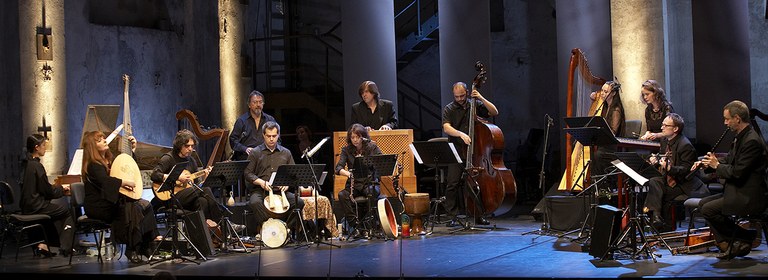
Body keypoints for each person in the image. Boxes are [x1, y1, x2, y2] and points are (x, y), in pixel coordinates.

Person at [693, 100, 768, 259]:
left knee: (708, 209)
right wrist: (707, 163)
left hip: (749, 195)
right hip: (738, 190)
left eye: (727, 119)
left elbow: (737, 172)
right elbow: (729, 160)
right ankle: (738, 240)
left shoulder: (751, 141)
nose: (725, 123)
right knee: (702, 204)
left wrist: (716, 165)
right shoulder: (740, 136)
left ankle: (739, 240)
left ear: (737, 119)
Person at [80, 131, 159, 263]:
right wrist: (123, 182)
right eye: (99, 140)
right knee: (132, 207)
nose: (105, 140)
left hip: (109, 202)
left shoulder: (107, 161)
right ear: (92, 147)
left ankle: (148, 243)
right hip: (98, 205)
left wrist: (131, 150)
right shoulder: (93, 165)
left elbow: (125, 168)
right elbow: (106, 181)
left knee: (146, 205)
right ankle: (133, 248)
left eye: (104, 138)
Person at [150, 129, 244, 233]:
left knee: (202, 201)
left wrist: (206, 177)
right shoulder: (169, 158)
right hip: (171, 197)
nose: (190, 149)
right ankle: (224, 224)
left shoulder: (191, 160)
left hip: (188, 196)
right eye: (187, 146)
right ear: (179, 145)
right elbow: (154, 175)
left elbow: (198, 185)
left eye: (192, 146)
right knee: (206, 190)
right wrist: (175, 177)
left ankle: (202, 236)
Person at [442, 82, 499, 226]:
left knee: (476, 184)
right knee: (452, 184)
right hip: (457, 149)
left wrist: (481, 97)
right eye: (457, 96)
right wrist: (460, 134)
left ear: (467, 92)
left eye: (462, 95)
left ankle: (479, 215)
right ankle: (452, 216)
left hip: (475, 153)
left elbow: (494, 112)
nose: (460, 99)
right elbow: (447, 128)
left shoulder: (475, 105)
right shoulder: (449, 108)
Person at [19, 134, 75, 257]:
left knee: (53, 211)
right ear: (37, 147)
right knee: (66, 212)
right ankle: (66, 248)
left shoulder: (25, 164)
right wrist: (62, 189)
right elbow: (47, 191)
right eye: (44, 145)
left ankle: (42, 244)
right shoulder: (36, 166)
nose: (45, 148)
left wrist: (56, 189)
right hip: (37, 206)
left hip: (26, 206)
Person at [244, 121, 304, 234]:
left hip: (280, 191)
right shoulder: (255, 152)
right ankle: (269, 227)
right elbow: (247, 173)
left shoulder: (286, 153)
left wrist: (287, 184)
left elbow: (293, 174)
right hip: (261, 190)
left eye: (274, 136)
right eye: (268, 136)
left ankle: (285, 229)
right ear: (263, 135)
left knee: (299, 202)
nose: (271, 139)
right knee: (255, 202)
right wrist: (261, 182)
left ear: (278, 135)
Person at [641, 113, 698, 232]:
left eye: (665, 125)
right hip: (667, 179)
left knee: (656, 189)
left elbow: (687, 170)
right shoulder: (664, 141)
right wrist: (655, 160)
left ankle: (658, 224)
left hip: (681, 184)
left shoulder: (685, 145)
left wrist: (669, 169)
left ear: (675, 129)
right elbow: (663, 158)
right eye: (662, 125)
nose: (662, 128)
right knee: (653, 182)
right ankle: (656, 220)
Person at [335, 123, 383, 231]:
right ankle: (355, 225)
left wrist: (376, 177)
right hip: (354, 183)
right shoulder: (346, 150)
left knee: (372, 192)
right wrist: (348, 174)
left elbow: (382, 162)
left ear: (363, 136)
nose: (355, 140)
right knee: (342, 195)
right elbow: (338, 168)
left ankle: (371, 224)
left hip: (369, 182)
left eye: (357, 137)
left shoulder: (372, 147)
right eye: (352, 137)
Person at [588, 80, 626, 190]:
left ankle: (602, 188)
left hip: (613, 147)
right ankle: (597, 187)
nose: (603, 94)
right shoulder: (604, 106)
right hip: (604, 145)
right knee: (594, 154)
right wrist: (593, 97)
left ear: (613, 93)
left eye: (606, 91)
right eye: (602, 91)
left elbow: (613, 132)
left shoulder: (616, 110)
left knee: (598, 155)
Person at [230, 90, 277, 161]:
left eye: (260, 102)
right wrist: (245, 149)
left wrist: (269, 148)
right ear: (249, 105)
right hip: (246, 158)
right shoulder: (242, 121)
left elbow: (278, 139)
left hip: (266, 157)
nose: (258, 105)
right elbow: (233, 140)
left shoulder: (270, 119)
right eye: (255, 102)